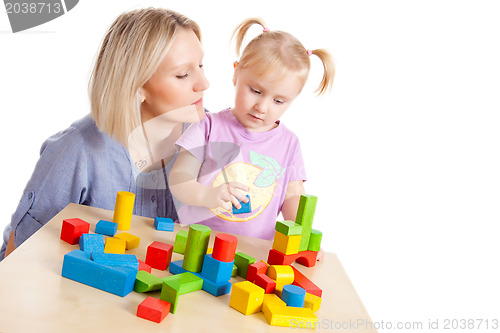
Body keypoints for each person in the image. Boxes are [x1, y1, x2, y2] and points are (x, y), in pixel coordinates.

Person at [0, 8, 209, 260]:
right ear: (138, 86)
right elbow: (20, 252)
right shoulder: (78, 148)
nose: (204, 83)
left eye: (200, 65)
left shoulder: (208, 134)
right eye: (183, 74)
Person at [169, 18, 334, 240]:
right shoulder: (208, 126)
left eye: (279, 101)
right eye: (256, 91)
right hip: (197, 241)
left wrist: (302, 240)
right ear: (236, 73)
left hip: (254, 250)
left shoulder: (289, 143)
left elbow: (293, 197)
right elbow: (179, 179)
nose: (262, 107)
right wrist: (208, 195)